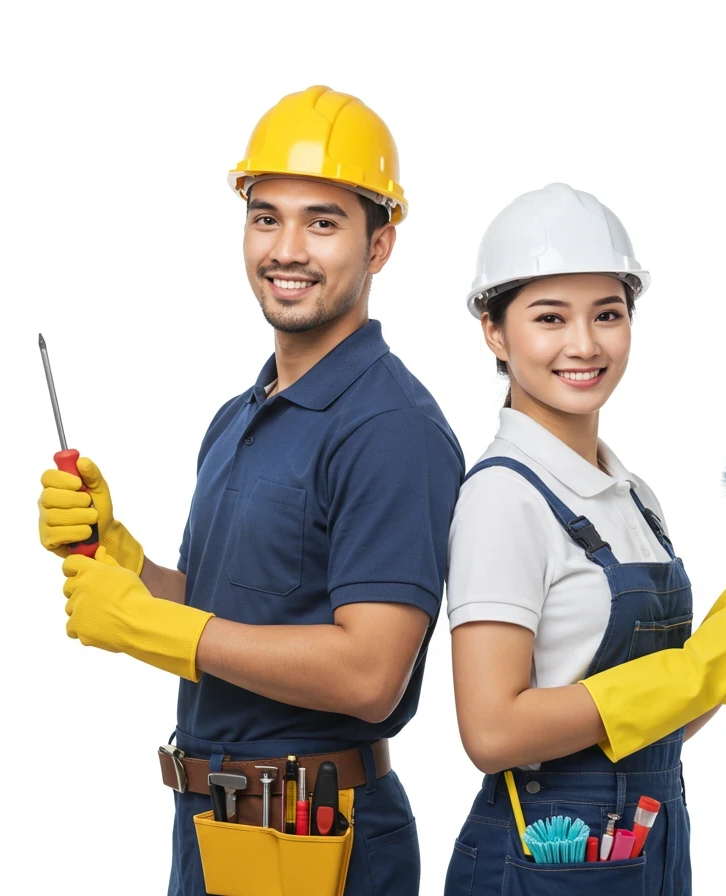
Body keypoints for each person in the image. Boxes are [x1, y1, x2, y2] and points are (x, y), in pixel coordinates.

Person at [37, 85, 463, 896]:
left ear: (381, 246)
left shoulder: (391, 428)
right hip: (210, 829)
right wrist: (121, 560)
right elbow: (230, 610)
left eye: (323, 222)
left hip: (317, 841)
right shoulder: (240, 416)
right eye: (266, 216)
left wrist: (149, 628)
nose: (287, 248)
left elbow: (370, 675)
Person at [442, 183, 726, 893]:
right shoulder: (501, 498)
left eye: (607, 315)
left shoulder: (634, 496)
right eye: (550, 317)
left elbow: (650, 729)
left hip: (646, 847)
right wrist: (696, 668)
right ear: (494, 330)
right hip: (542, 866)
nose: (585, 344)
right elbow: (491, 732)